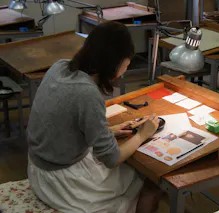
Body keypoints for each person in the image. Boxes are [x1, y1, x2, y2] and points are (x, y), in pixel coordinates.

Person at [27, 21, 161, 213]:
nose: (127, 67)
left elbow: (64, 124)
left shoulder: (60, 67)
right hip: (63, 182)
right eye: (127, 62)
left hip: (38, 168)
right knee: (148, 182)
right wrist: (142, 135)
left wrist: (110, 131)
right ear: (115, 62)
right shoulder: (87, 93)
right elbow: (112, 158)